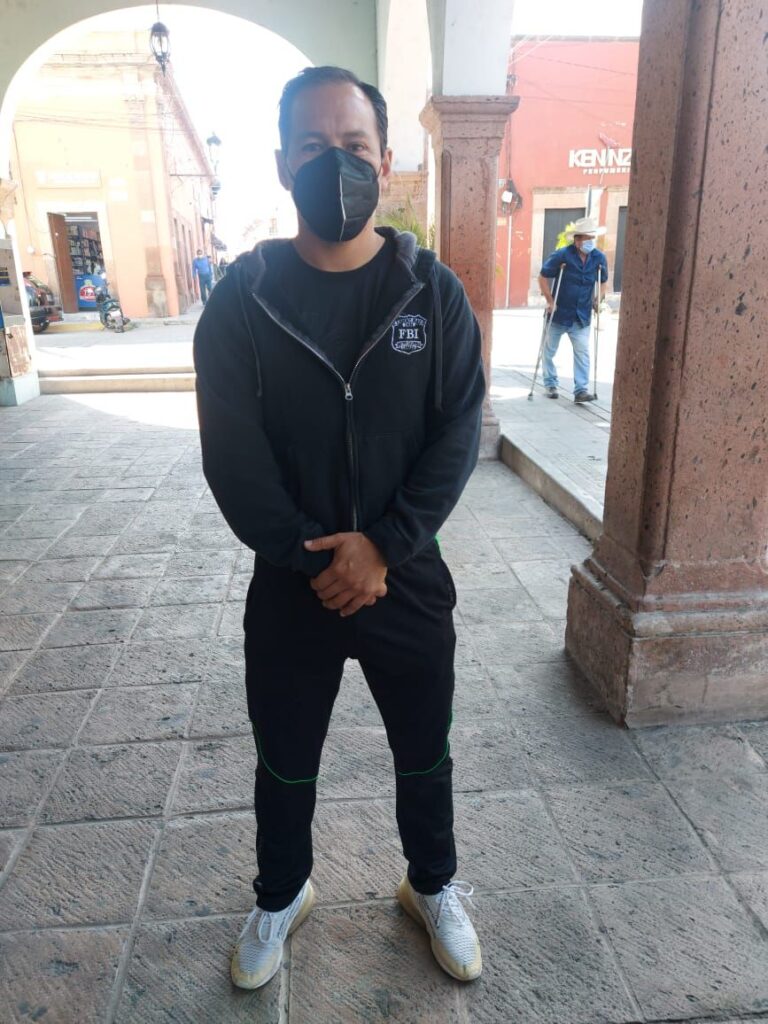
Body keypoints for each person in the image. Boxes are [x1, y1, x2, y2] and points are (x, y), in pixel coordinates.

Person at [193, 65, 486, 991]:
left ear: (386, 161)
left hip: (408, 576)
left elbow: (458, 431)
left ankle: (431, 884)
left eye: (354, 146)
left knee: (425, 751)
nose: (336, 164)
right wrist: (308, 552)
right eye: (314, 147)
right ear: (284, 164)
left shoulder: (430, 292)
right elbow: (231, 453)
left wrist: (385, 546)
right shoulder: (243, 299)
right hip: (294, 584)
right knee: (284, 759)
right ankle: (282, 894)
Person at [537, 216, 608, 403]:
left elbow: (603, 282)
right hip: (558, 314)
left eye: (592, 237)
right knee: (549, 351)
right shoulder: (562, 255)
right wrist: (550, 300)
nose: (590, 241)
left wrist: (598, 298)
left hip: (581, 316)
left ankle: (581, 390)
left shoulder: (599, 258)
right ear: (577, 240)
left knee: (582, 353)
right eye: (587, 238)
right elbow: (542, 277)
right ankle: (550, 384)